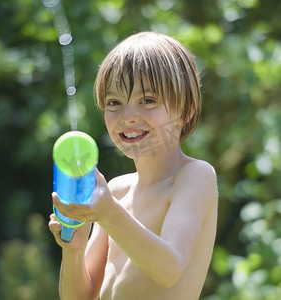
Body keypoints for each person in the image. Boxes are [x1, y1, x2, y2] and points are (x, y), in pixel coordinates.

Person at [49, 31, 218, 300]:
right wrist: (74, 250)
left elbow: (169, 269)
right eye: (114, 103)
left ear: (185, 109)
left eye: (147, 100)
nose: (128, 117)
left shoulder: (194, 176)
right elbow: (81, 297)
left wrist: (108, 213)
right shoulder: (116, 191)